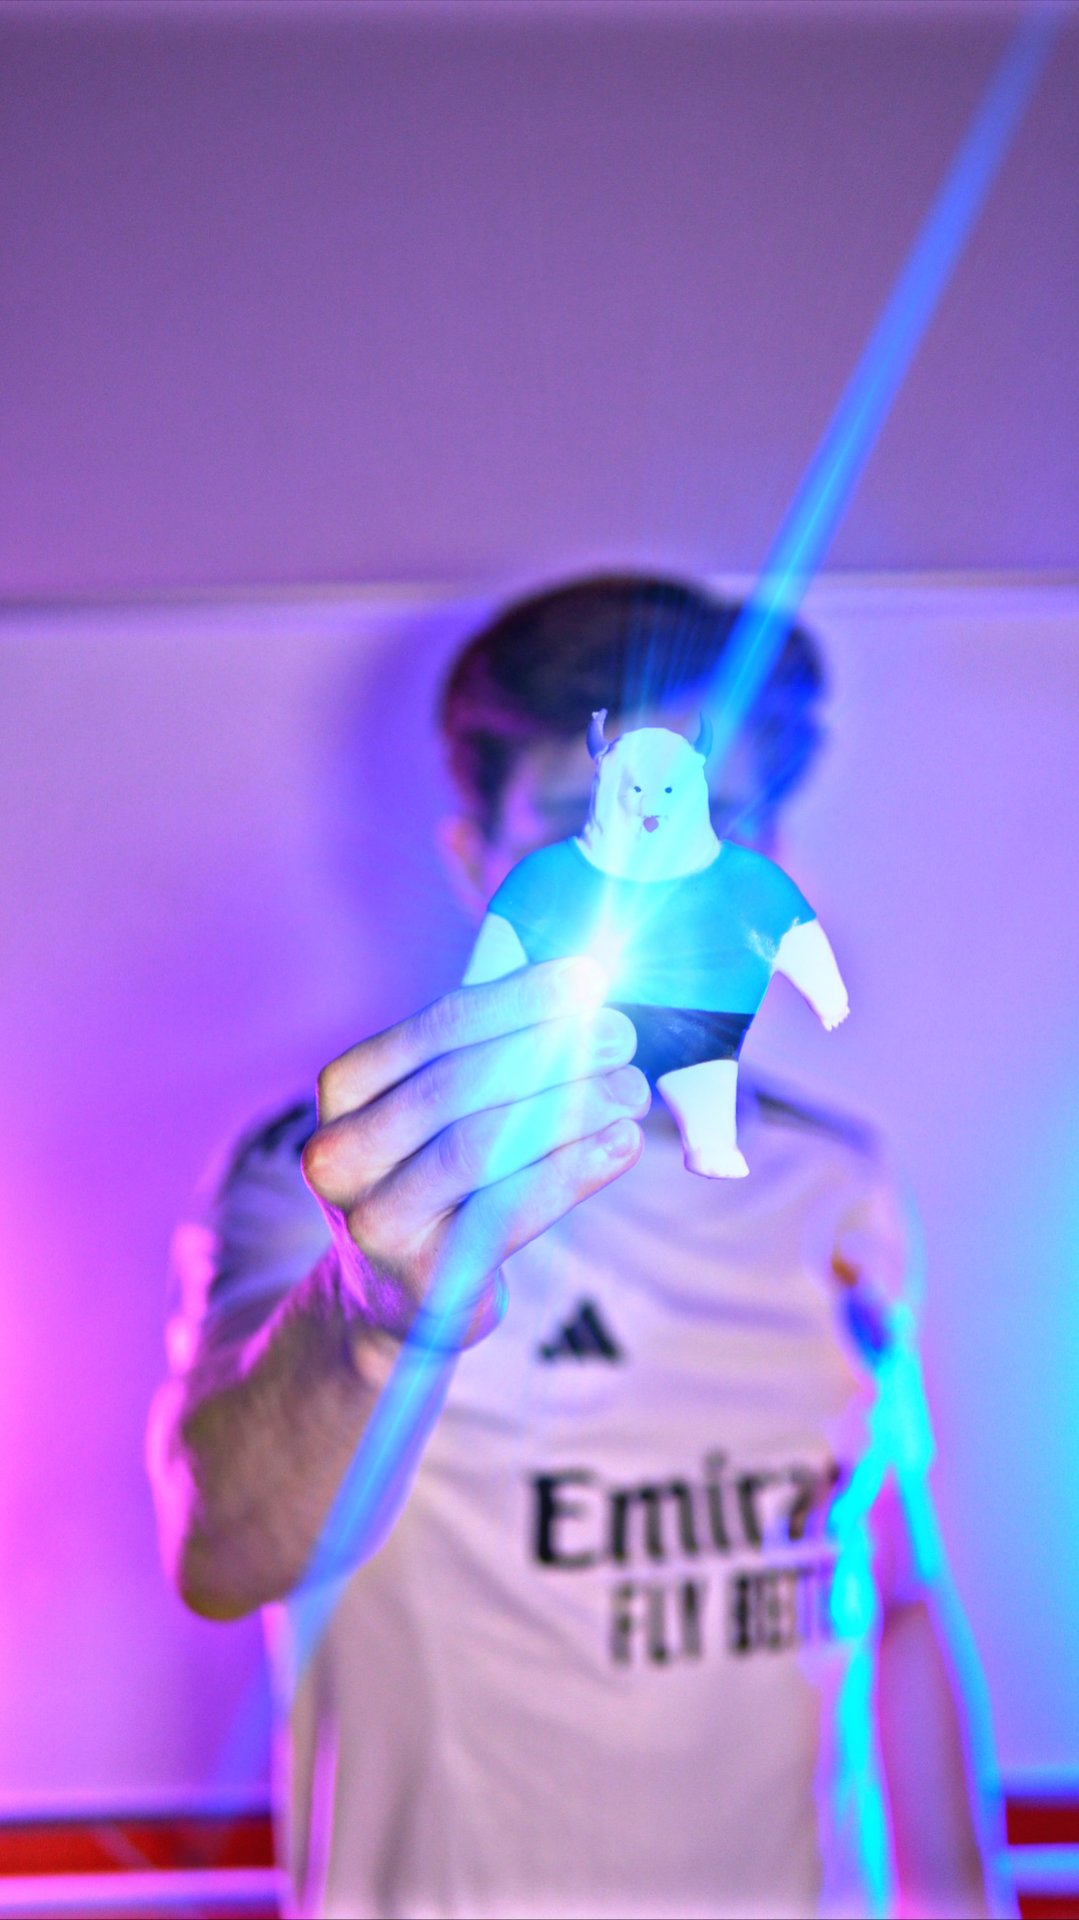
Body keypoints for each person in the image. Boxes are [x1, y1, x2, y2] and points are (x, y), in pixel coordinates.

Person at [148, 573, 1002, 1920]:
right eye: (575, 823)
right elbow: (221, 1549)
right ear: (478, 861)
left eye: (712, 819)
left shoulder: (839, 1183)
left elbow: (893, 1600)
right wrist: (375, 1315)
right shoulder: (331, 1177)